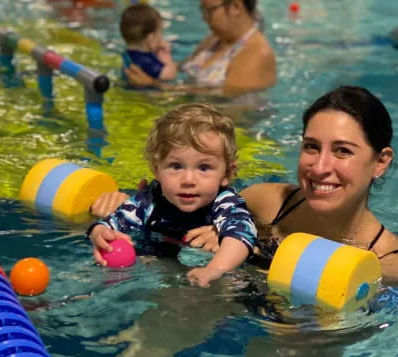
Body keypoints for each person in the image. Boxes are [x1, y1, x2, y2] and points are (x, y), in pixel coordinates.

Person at [92, 86, 398, 287]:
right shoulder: (266, 202)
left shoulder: (392, 261)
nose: (320, 167)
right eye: (310, 146)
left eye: (342, 151)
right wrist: (123, 204)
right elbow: (184, 204)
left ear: (380, 162)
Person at [87, 103, 257, 287]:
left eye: (204, 168)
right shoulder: (149, 200)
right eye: (176, 166)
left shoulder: (225, 202)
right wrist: (99, 234)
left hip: (209, 270)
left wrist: (215, 269)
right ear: (156, 169)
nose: (188, 180)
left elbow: (241, 235)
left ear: (227, 174)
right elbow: (111, 223)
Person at [124, 0, 276, 97]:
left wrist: (154, 87)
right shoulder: (215, 39)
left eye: (209, 10)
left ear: (235, 7)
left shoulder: (257, 54)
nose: (204, 18)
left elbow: (229, 107)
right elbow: (182, 70)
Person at [119, 3, 177, 82]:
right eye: (160, 33)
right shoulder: (149, 62)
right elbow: (170, 75)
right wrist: (167, 57)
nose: (161, 38)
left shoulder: (126, 55)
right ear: (151, 39)